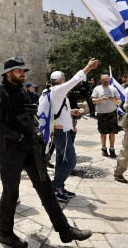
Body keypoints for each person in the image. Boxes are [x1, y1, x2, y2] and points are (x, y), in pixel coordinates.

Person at [0, 57, 93, 248]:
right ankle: (5, 234)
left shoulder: (21, 91)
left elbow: (31, 115)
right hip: (11, 151)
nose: (23, 73)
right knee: (11, 193)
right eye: (19, 71)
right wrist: (17, 136)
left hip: (31, 148)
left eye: (23, 71)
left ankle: (65, 231)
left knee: (47, 190)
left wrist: (36, 131)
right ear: (8, 72)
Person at [48, 59, 99, 202]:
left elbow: (57, 110)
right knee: (71, 162)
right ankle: (55, 187)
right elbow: (76, 79)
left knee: (60, 161)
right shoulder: (58, 90)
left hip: (61, 132)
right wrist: (88, 67)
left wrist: (71, 111)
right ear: (62, 80)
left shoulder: (54, 92)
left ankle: (59, 186)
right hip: (61, 133)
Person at [92, 74, 121, 159]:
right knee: (103, 132)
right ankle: (104, 148)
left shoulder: (113, 89)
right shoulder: (97, 89)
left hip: (112, 113)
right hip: (101, 113)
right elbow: (93, 101)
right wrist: (101, 99)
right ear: (101, 81)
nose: (106, 83)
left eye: (107, 81)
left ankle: (112, 149)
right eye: (104, 81)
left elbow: (119, 102)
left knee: (112, 132)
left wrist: (113, 100)